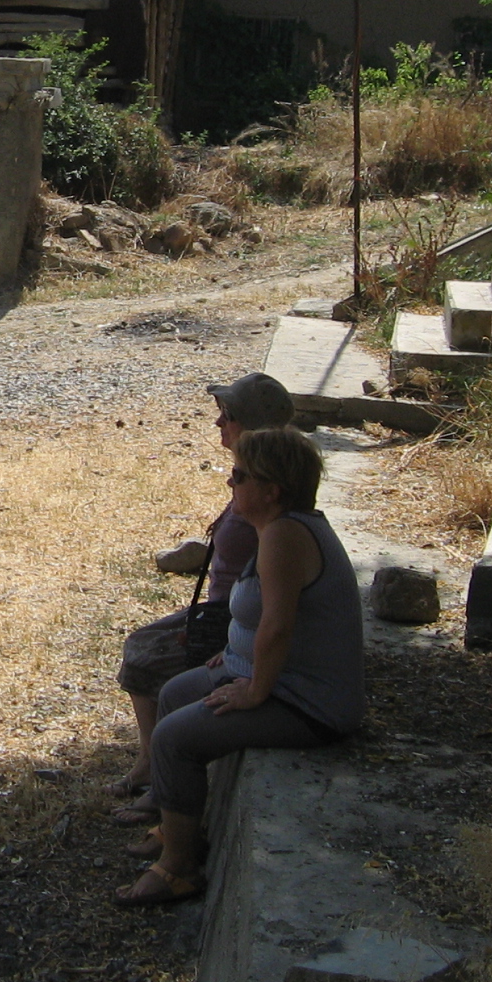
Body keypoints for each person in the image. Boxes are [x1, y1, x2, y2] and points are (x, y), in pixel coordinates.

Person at [115, 426, 364, 906]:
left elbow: (278, 626)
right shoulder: (277, 528)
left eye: (240, 475)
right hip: (279, 678)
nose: (231, 482)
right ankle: (177, 825)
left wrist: (253, 690)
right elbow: (260, 616)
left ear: (272, 490)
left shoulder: (286, 536)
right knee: (174, 693)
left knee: (174, 739)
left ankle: (179, 869)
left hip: (309, 702)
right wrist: (235, 654)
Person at [110, 372, 297, 809]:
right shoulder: (254, 475)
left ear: (252, 426)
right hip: (223, 612)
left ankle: (161, 771)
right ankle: (151, 761)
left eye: (227, 415)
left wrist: (232, 643)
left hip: (233, 619)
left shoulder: (269, 492)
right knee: (140, 645)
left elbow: (274, 594)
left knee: (147, 658)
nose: (218, 423)